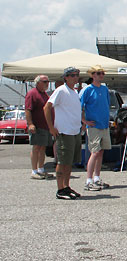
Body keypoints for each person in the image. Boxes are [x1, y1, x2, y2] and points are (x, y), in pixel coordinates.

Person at [44, 67, 83, 200]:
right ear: (65, 77)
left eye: (76, 75)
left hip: (74, 131)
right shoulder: (61, 90)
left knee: (69, 161)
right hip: (64, 131)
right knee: (62, 161)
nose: (75, 77)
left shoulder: (74, 92)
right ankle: (60, 189)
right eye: (72, 75)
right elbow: (47, 107)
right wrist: (51, 127)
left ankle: (66, 186)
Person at [80, 65, 111, 191]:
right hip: (94, 125)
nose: (101, 75)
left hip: (104, 125)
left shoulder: (105, 89)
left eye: (102, 73)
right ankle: (88, 180)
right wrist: (84, 121)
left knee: (101, 151)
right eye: (98, 73)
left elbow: (107, 105)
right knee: (94, 152)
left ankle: (97, 177)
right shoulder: (87, 90)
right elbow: (80, 106)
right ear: (92, 75)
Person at [25, 75, 54, 180]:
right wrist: (30, 124)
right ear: (38, 83)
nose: (47, 83)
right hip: (37, 126)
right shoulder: (32, 93)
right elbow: (28, 110)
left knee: (43, 148)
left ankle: (41, 169)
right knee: (36, 147)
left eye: (48, 81)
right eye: (45, 81)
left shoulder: (45, 94)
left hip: (45, 126)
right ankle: (34, 170)